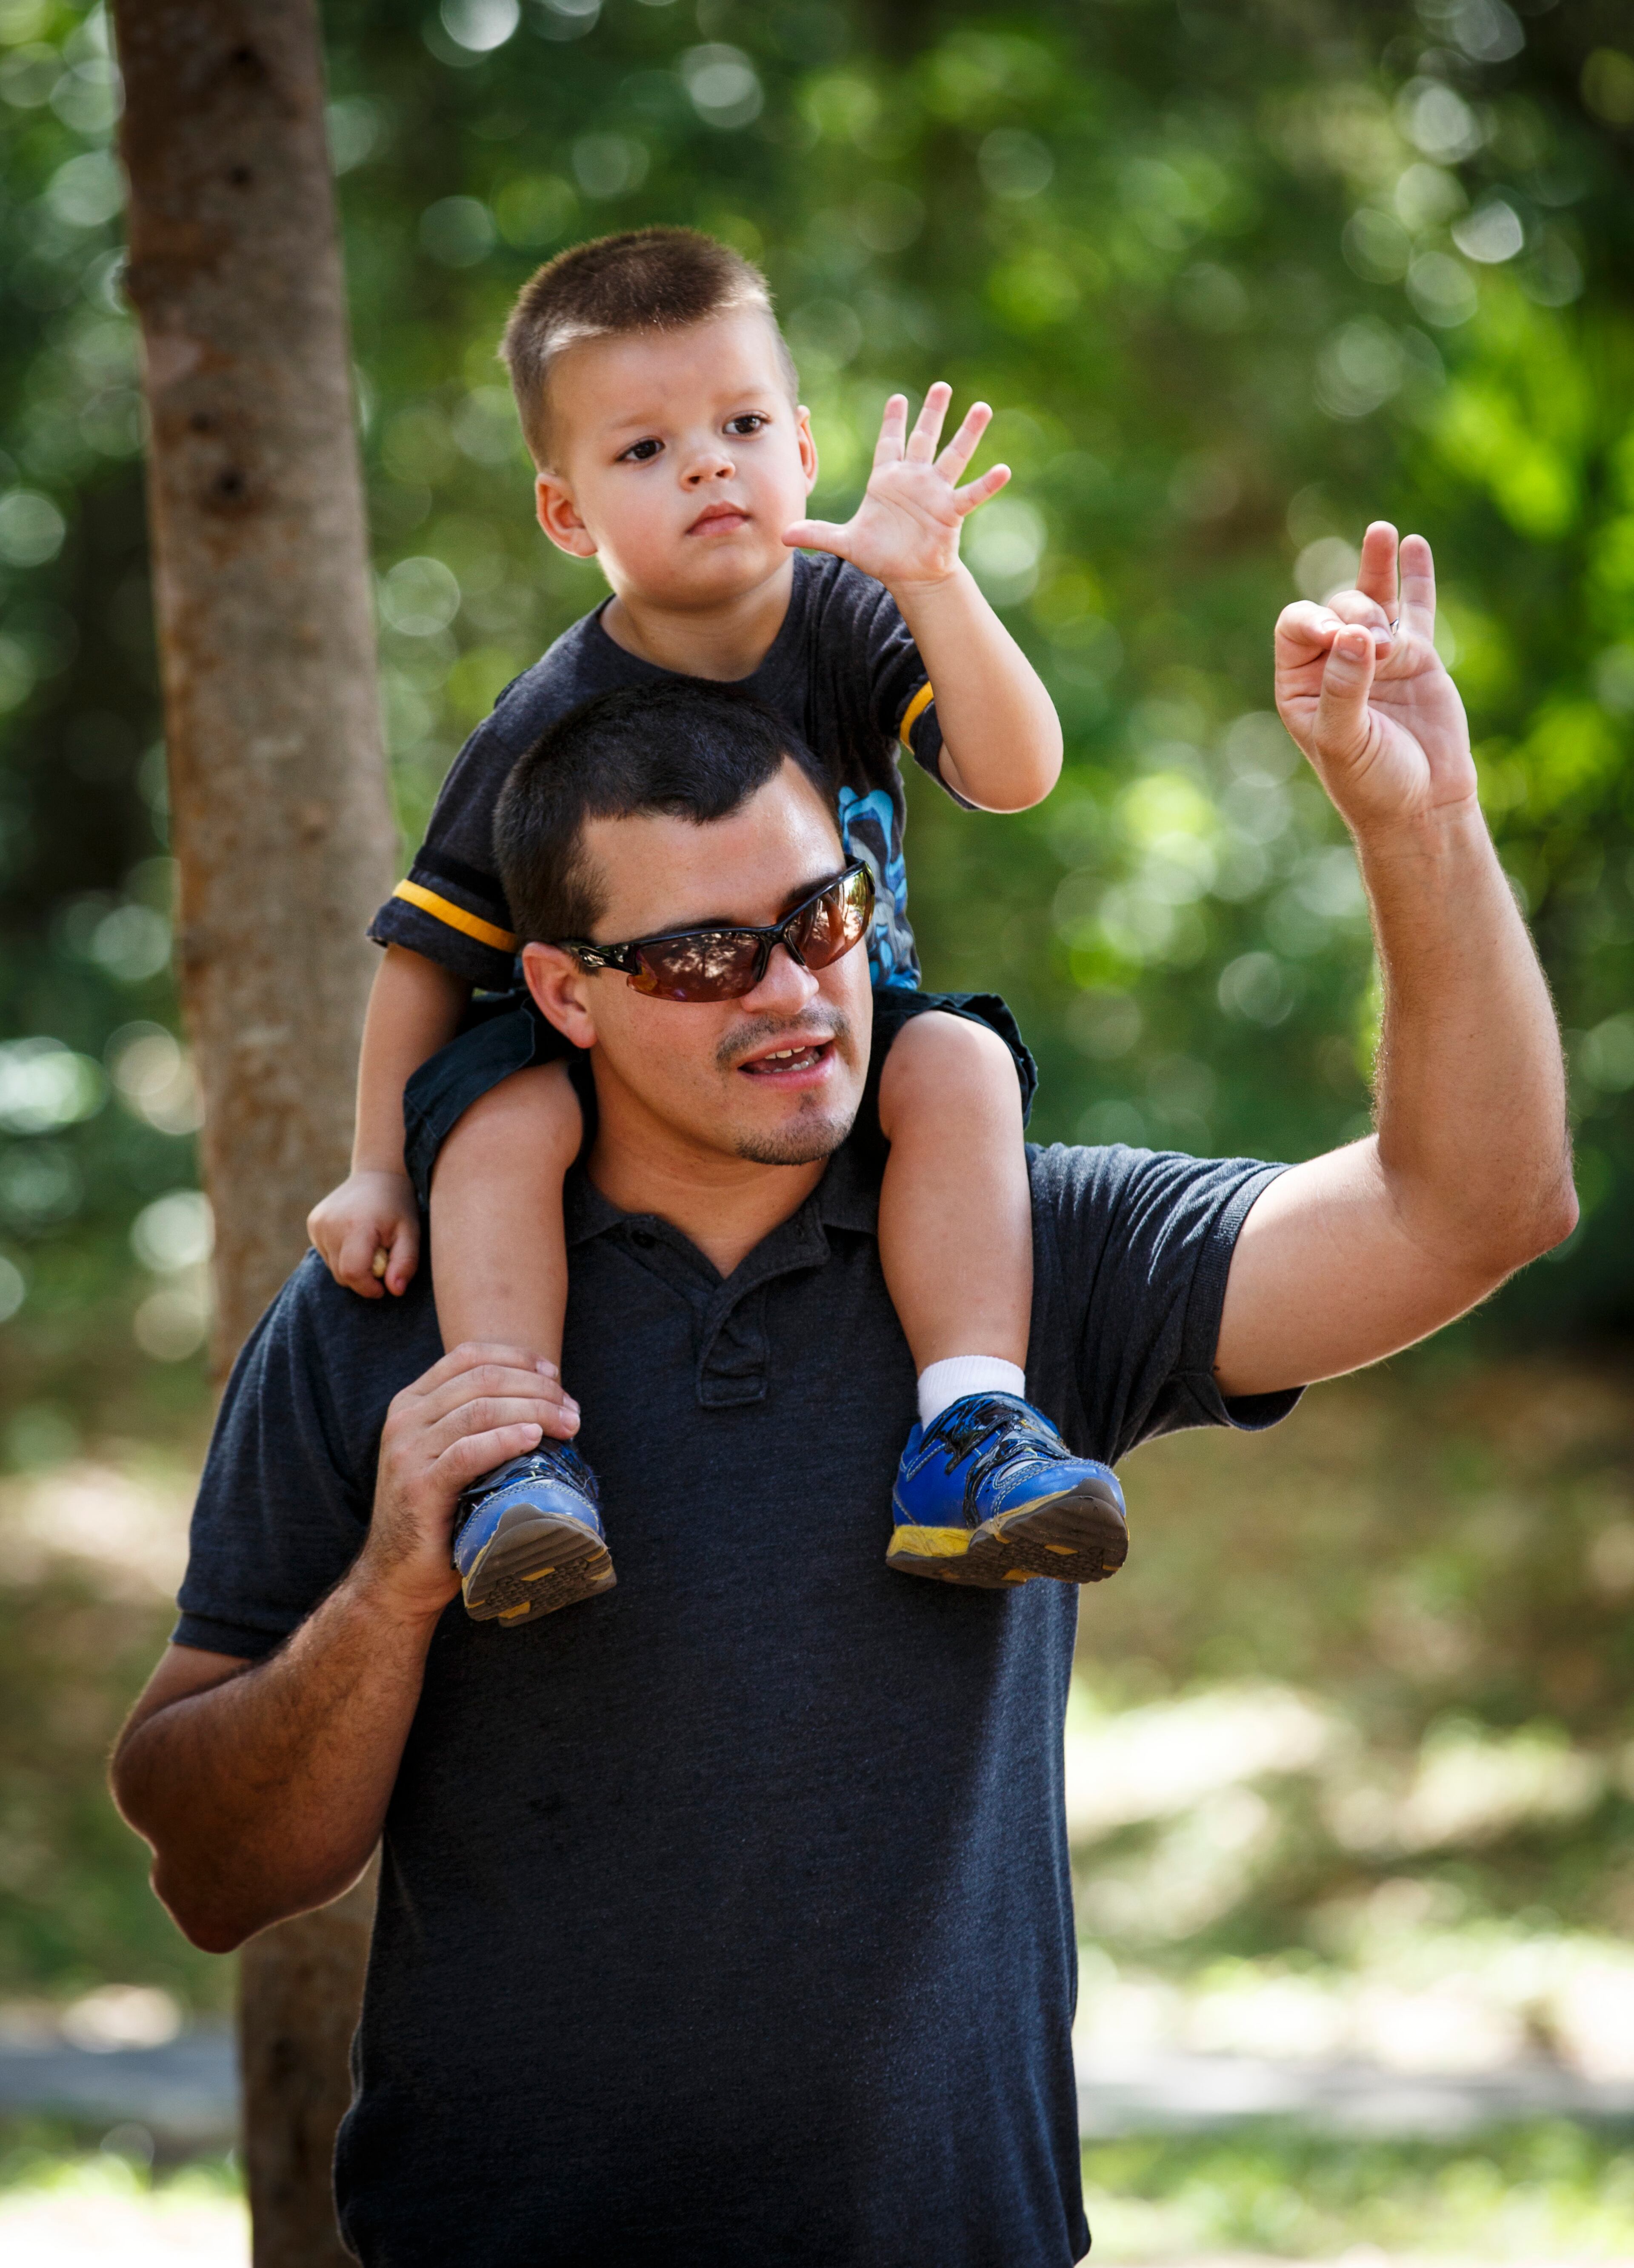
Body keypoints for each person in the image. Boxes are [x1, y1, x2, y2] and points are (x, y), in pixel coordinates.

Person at [113, 531, 1575, 2266]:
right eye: (703, 959)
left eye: (821, 920)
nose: (799, 993)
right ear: (565, 991)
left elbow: (1476, 1209)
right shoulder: (388, 1311)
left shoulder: (1024, 1250)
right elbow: (212, 1869)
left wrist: (1423, 825)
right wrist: (390, 1587)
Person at [305, 226, 1121, 1626]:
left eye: (742, 423)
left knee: (966, 1066)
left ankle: (971, 1434)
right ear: (567, 515)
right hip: (624, 1055)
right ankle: (523, 1468)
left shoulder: (855, 619)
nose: (706, 463)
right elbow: (429, 956)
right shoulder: (544, 723)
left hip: (837, 1023)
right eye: (644, 450)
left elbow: (1015, 772)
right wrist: (377, 1165)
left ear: (801, 447)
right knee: (504, 1123)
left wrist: (934, 578)